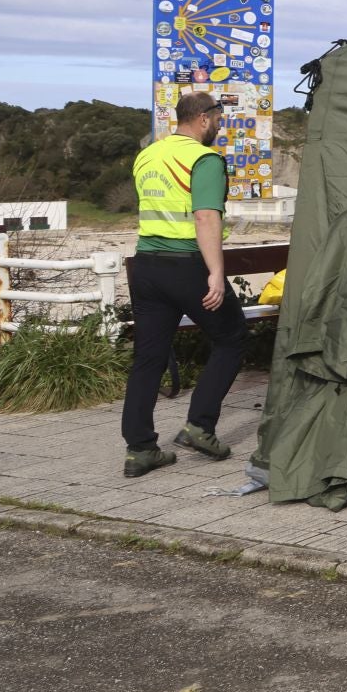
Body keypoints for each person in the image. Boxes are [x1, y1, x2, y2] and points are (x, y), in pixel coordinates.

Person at [122, 92, 246, 477]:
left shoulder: (147, 156)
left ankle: (140, 449)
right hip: (185, 264)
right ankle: (199, 427)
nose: (220, 126)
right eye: (219, 119)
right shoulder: (203, 159)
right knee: (232, 338)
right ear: (205, 119)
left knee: (148, 356)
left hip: (146, 265)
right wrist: (214, 273)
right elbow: (206, 217)